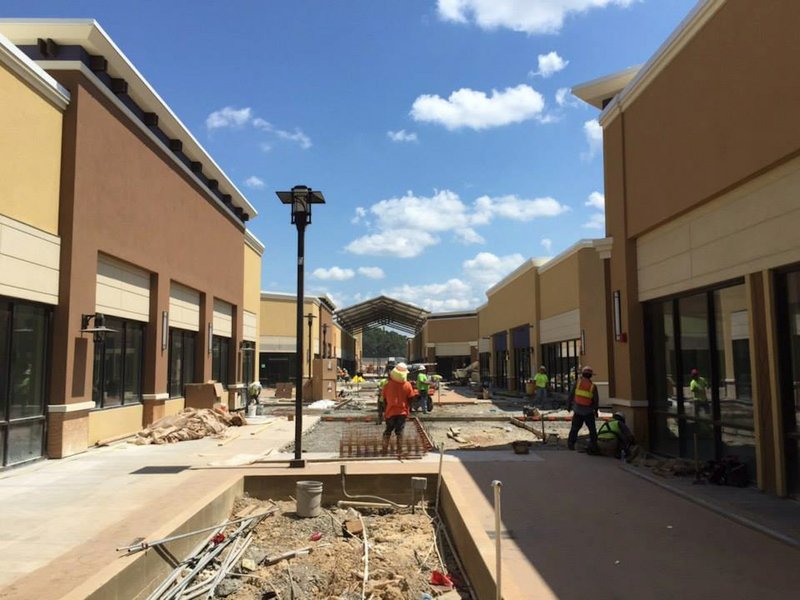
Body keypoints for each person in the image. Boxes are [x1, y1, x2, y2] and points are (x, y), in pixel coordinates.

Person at [381, 362, 418, 457]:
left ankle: (384, 450)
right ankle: (399, 450)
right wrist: (409, 409)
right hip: (402, 412)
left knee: (388, 430)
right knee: (399, 432)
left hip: (390, 412)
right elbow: (411, 399)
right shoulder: (407, 385)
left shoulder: (387, 385)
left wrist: (385, 411)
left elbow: (384, 400)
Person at [567, 366, 600, 452]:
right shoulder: (593, 386)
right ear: (590, 376)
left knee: (574, 428)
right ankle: (594, 444)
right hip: (588, 411)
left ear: (583, 374)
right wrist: (596, 411)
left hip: (577, 410)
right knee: (592, 429)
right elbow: (595, 400)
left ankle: (571, 444)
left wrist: (569, 406)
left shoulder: (578, 383)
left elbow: (571, 395)